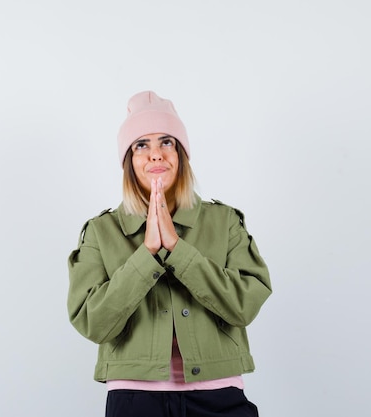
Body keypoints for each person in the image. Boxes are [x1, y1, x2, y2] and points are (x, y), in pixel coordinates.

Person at [67, 90, 272, 417]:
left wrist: (178, 249)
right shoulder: (101, 231)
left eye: (167, 142)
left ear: (182, 154)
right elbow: (93, 323)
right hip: (134, 400)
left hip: (219, 394)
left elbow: (245, 305)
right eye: (141, 145)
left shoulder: (225, 222)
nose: (156, 155)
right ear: (129, 162)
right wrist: (146, 253)